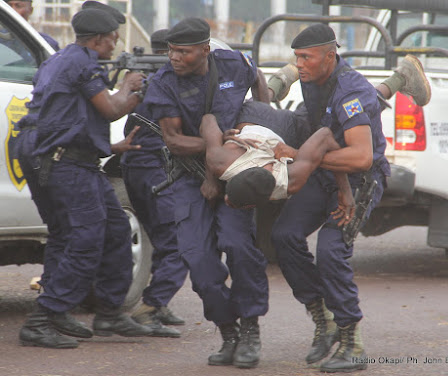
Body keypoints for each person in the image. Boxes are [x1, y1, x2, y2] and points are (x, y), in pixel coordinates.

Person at [267, 24, 431, 373]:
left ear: (330, 56)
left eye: (306, 57)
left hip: (362, 178)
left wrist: (300, 157)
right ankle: (323, 320)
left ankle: (351, 341)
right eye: (296, 58)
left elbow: (360, 157)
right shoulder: (314, 81)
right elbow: (328, 136)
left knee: (330, 249)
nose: (300, 65)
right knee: (284, 235)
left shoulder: (350, 88)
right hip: (328, 173)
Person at [18, 7, 153, 349]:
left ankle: (108, 311)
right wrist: (130, 87)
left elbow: (63, 114)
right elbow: (110, 109)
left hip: (59, 156)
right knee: (86, 236)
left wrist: (108, 145)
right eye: (112, 38)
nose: (115, 43)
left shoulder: (60, 58)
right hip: (64, 161)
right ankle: (44, 317)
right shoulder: (81, 62)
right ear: (97, 40)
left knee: (107, 228)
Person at [142, 17, 269, 369]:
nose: (175, 58)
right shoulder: (164, 82)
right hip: (189, 177)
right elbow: (175, 140)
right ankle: (228, 331)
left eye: (183, 52)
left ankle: (250, 329)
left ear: (205, 49)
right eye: (171, 51)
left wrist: (260, 120)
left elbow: (259, 82)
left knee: (239, 246)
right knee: (198, 260)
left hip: (236, 174)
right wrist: (222, 144)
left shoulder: (233, 62)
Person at [120, 29, 186, 338]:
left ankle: (158, 303)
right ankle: (150, 307)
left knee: (163, 238)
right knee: (179, 240)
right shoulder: (173, 82)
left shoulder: (148, 81)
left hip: (137, 167)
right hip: (155, 169)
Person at [199, 103, 354, 224]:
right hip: (256, 117)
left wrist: (345, 192)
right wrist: (222, 136)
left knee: (323, 109)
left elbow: (325, 136)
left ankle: (282, 79)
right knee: (315, 113)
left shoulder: (291, 181)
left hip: (272, 123)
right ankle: (281, 80)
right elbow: (207, 119)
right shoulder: (219, 161)